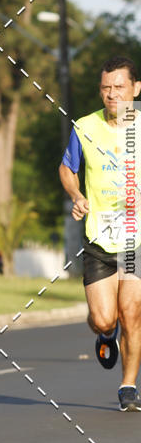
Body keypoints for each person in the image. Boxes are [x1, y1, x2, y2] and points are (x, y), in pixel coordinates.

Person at [59, 55, 141, 411]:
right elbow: (66, 169)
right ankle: (106, 335)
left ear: (135, 89)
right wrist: (77, 195)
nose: (112, 95)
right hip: (98, 239)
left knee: (132, 313)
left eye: (119, 87)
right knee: (105, 318)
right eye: (106, 88)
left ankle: (128, 386)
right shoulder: (85, 128)